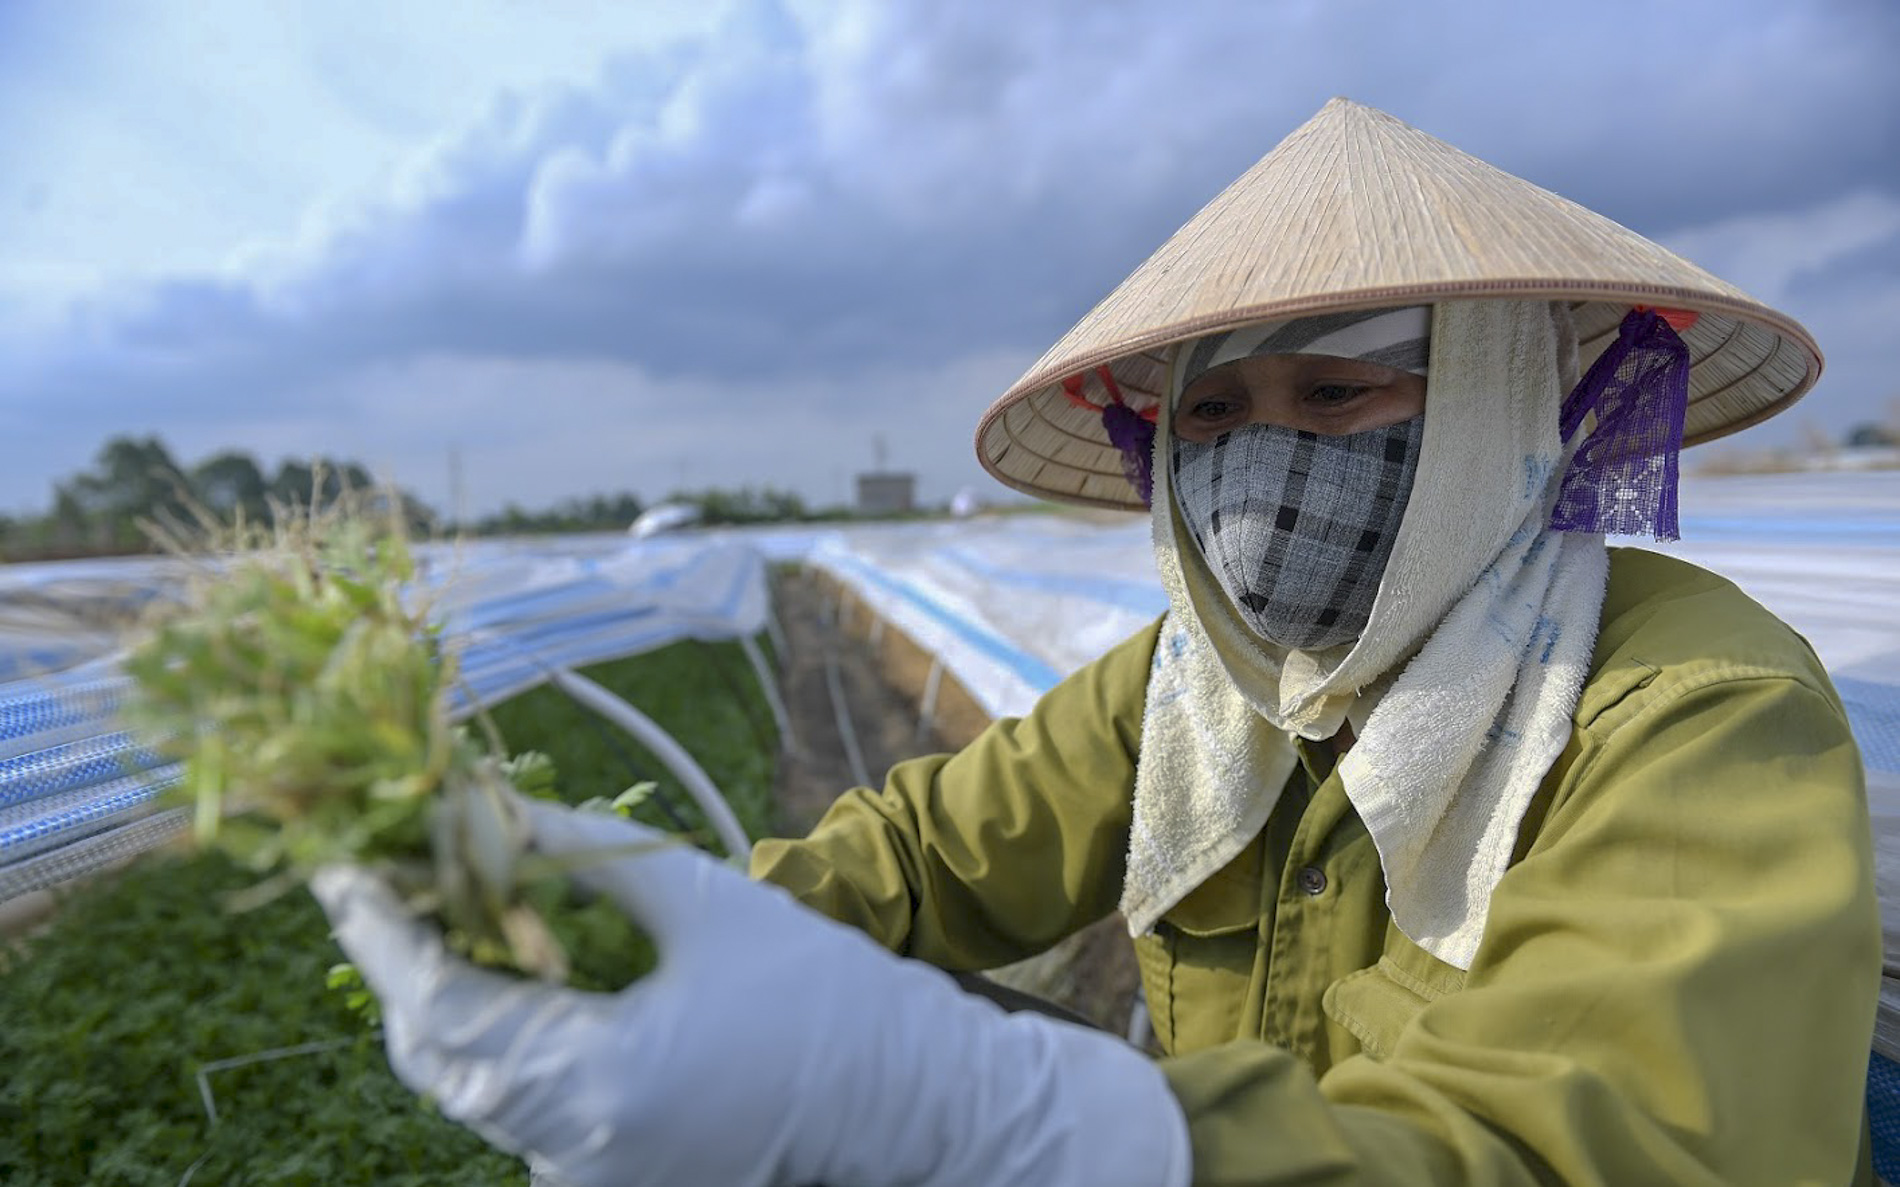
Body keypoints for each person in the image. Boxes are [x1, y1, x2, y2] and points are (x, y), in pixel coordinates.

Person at [315, 98, 1880, 1185]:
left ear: (1496, 411)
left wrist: (985, 1128)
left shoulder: (1694, 714)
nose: (1262, 463)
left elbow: (1572, 1154)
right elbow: (925, 859)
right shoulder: (1200, 689)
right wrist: (623, 935)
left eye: (1337, 397)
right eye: (1213, 416)